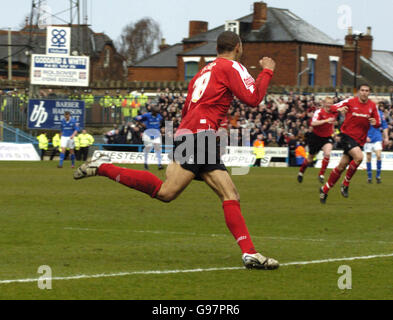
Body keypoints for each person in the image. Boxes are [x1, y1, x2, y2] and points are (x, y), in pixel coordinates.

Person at [74, 31, 279, 270]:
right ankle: (102, 167)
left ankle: (250, 254)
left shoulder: (203, 71)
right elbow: (253, 98)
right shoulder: (232, 66)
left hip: (187, 133)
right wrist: (267, 71)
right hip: (200, 136)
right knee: (182, 193)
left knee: (209, 193)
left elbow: (188, 108)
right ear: (238, 47)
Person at [320, 84, 381, 204]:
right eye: (362, 90)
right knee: (359, 157)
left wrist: (375, 123)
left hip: (360, 140)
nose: (364, 92)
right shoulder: (350, 101)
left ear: (369, 93)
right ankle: (345, 183)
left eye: (367, 91)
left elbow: (378, 122)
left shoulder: (372, 106)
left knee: (341, 166)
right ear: (358, 92)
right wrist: (338, 109)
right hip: (347, 136)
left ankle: (325, 189)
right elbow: (331, 107)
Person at [298, 97, 338, 184]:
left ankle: (321, 174)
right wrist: (326, 120)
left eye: (330, 103)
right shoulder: (319, 112)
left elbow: (334, 123)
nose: (329, 105)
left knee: (327, 153)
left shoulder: (334, 112)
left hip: (327, 137)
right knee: (309, 159)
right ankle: (301, 172)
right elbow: (313, 123)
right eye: (327, 103)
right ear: (324, 103)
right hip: (316, 137)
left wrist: (333, 131)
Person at [134, 105, 164, 171]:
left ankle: (159, 165)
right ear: (152, 111)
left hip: (156, 135)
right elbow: (136, 118)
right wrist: (142, 124)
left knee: (158, 149)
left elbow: (161, 122)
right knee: (148, 149)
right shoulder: (147, 115)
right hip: (148, 135)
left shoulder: (159, 116)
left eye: (157, 112)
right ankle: (145, 163)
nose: (157, 113)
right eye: (155, 112)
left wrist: (160, 129)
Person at [365, 105, 389, 184]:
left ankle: (378, 176)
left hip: (377, 138)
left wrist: (386, 137)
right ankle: (369, 177)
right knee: (368, 158)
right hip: (367, 139)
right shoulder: (365, 114)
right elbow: (360, 126)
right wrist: (364, 136)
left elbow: (384, 126)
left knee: (379, 156)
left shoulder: (380, 114)